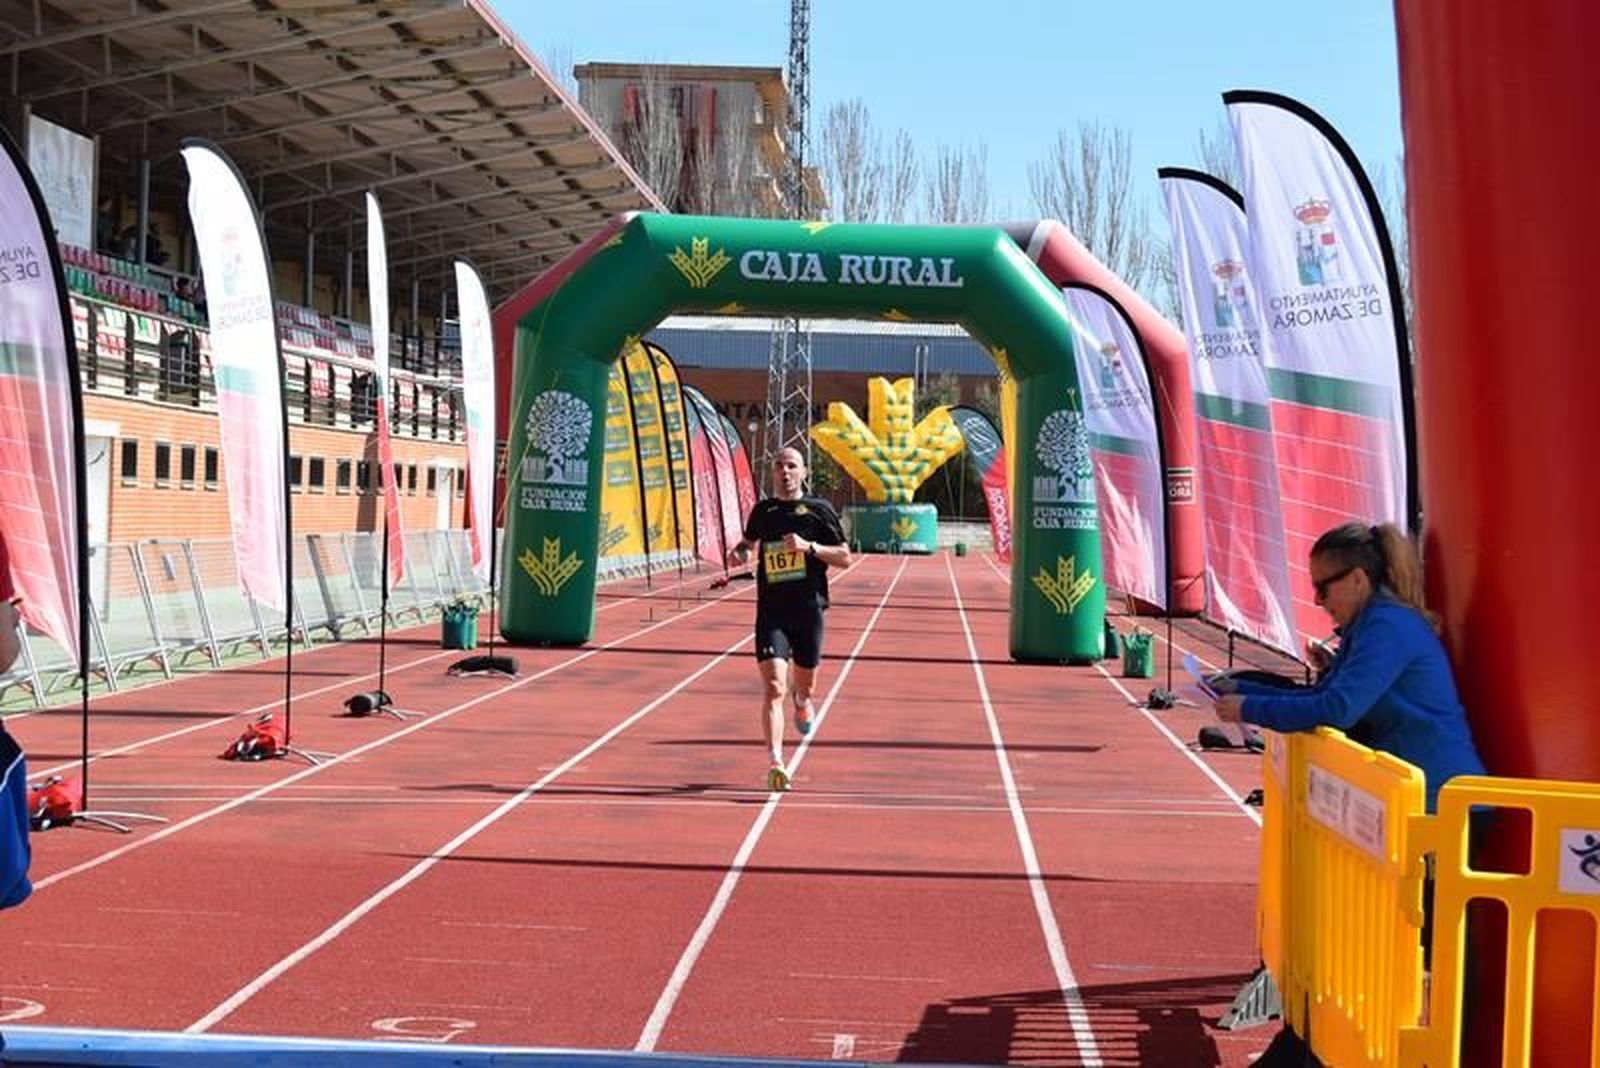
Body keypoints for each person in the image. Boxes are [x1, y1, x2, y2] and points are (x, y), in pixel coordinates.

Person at [1211, 521, 1486, 812]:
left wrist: (1248, 707)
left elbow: (1339, 709)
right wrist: (1240, 689)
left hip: (1441, 803)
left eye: (1323, 588)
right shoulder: (1369, 625)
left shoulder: (1387, 626)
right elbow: (1321, 696)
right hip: (1420, 797)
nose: (1317, 600)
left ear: (1357, 579)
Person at [727, 447, 850, 792]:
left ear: (804, 472)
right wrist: (738, 554)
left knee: (803, 685)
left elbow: (845, 557)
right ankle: (776, 762)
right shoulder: (763, 511)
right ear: (773, 472)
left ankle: (803, 700)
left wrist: (809, 547)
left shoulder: (819, 510)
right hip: (772, 612)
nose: (785, 471)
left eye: (791, 465)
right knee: (773, 687)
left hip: (808, 610)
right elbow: (747, 543)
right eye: (779, 465)